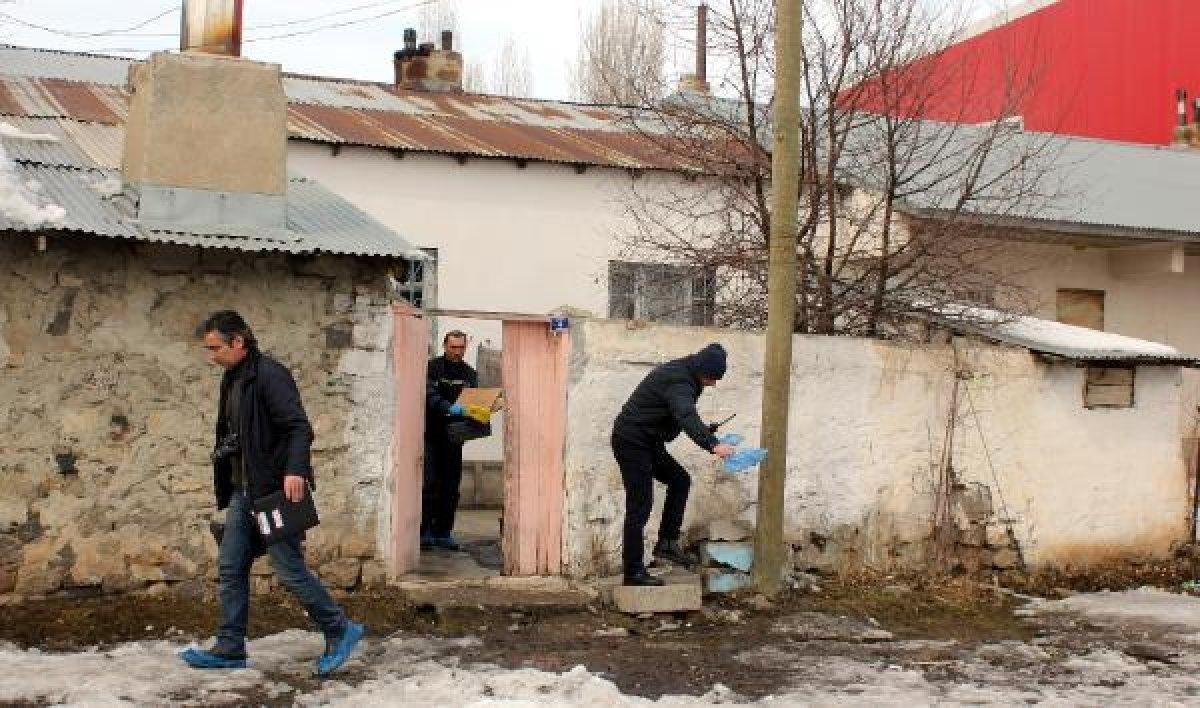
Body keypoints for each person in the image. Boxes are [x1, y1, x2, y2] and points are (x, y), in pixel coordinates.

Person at [181, 311, 364, 675]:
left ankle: (340, 629)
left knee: (289, 570)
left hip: (273, 494)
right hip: (243, 491)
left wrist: (295, 470)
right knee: (231, 566)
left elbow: (298, 426)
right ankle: (230, 647)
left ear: (238, 342)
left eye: (216, 347)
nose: (211, 355)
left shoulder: (270, 375)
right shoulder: (233, 378)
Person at [611, 342, 736, 586]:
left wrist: (705, 431)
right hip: (632, 440)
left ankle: (667, 543)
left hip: (649, 440)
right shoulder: (680, 381)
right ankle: (633, 572)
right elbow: (685, 415)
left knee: (679, 480)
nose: (713, 384)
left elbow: (679, 415)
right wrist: (712, 444)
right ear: (703, 370)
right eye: (712, 378)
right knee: (640, 505)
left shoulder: (687, 375)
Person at [421, 330, 478, 551]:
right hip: (432, 435)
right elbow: (429, 395)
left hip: (455, 438)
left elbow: (475, 398)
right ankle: (424, 531)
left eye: (461, 347)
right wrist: (449, 407)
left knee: (451, 487)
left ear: (465, 347)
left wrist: (480, 410)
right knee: (429, 484)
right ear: (445, 346)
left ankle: (443, 532)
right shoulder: (432, 368)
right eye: (453, 347)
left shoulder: (469, 374)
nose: (457, 351)